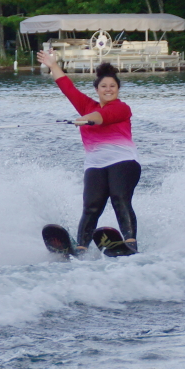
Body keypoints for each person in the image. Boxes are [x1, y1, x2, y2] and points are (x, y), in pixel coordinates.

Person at [37, 51, 141, 254]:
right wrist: (53, 65)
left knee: (119, 197)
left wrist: (86, 119)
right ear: (97, 89)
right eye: (104, 86)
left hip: (124, 161)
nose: (108, 89)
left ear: (118, 89)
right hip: (95, 164)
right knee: (91, 206)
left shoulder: (122, 108)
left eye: (112, 86)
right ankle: (81, 248)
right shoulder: (86, 106)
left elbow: (103, 116)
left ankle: (130, 242)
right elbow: (68, 88)